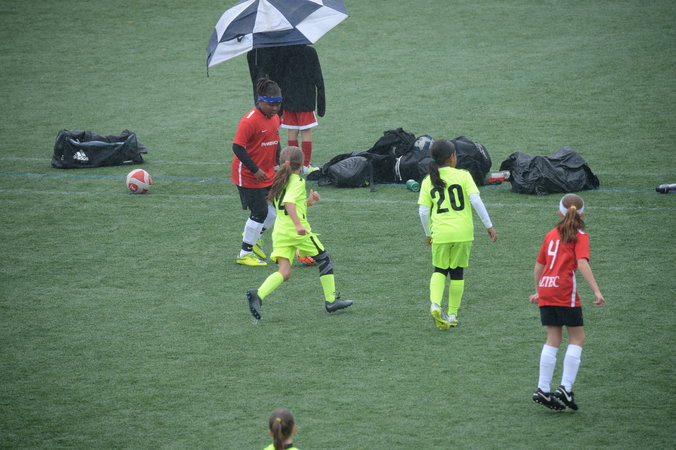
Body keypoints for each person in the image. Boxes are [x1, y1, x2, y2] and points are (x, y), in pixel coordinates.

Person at [246, 146, 353, 319]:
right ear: (302, 164)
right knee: (325, 259)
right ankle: (331, 301)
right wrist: (298, 225)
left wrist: (308, 202)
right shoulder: (297, 181)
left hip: (281, 233)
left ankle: (258, 294)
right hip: (296, 232)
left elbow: (287, 205)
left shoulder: (281, 180)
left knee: (284, 272)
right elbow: (289, 204)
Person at [530, 193, 605, 411]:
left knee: (553, 338)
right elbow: (582, 263)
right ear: (582, 213)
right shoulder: (580, 235)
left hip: (547, 289)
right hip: (564, 290)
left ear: (559, 212)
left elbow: (539, 266)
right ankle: (565, 387)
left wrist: (539, 291)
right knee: (577, 338)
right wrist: (596, 291)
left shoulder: (550, 234)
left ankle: (543, 389)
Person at [418, 139, 498, 330]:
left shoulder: (428, 180)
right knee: (457, 273)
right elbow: (476, 201)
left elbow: (423, 211)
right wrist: (489, 226)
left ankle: (435, 305)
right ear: (452, 157)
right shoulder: (463, 175)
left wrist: (428, 233)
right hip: (463, 233)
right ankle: (453, 315)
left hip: (440, 233)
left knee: (439, 270)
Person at [232, 77, 283, 267]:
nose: (275, 108)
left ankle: (253, 238)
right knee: (260, 212)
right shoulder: (249, 121)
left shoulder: (275, 118)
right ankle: (244, 254)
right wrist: (255, 170)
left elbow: (276, 141)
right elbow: (237, 147)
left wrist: (279, 164)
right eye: (271, 104)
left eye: (278, 104)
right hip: (248, 175)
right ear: (260, 101)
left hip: (267, 173)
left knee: (273, 212)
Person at [278, 45, 325, 174]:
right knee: (306, 131)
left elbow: (279, 74)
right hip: (306, 98)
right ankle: (305, 165)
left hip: (288, 98)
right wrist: (321, 103)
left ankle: (294, 165)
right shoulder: (310, 51)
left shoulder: (283, 51)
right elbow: (318, 75)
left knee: (292, 130)